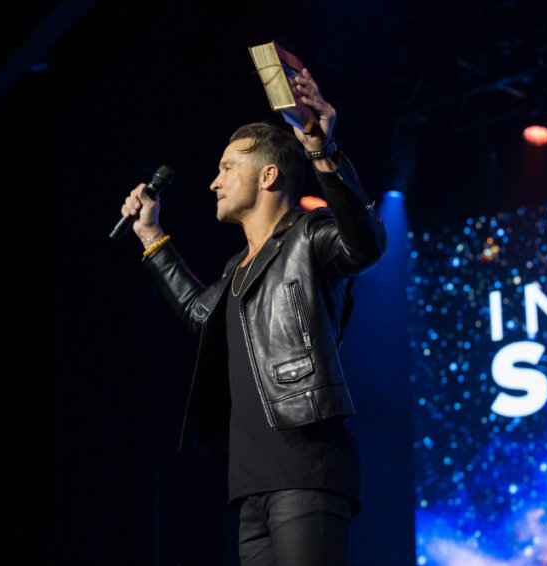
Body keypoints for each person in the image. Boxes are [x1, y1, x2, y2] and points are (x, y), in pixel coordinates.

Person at [121, 67, 387, 566]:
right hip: (250, 485)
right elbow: (200, 314)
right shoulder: (236, 269)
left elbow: (365, 244)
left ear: (268, 175)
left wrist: (322, 151)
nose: (213, 181)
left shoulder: (312, 237)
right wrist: (150, 238)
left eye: (227, 168)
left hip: (306, 470)